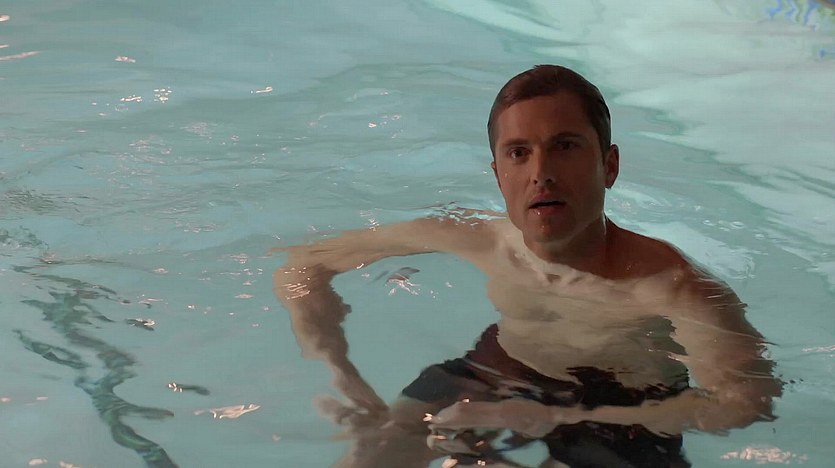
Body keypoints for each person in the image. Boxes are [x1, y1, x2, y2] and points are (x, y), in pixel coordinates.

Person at [273, 65, 781, 467]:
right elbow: (305, 263)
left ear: (609, 166)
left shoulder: (672, 287)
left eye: (565, 147)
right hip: (502, 367)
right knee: (372, 452)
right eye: (519, 153)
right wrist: (344, 379)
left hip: (629, 409)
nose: (541, 174)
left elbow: (745, 401)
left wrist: (553, 415)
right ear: (499, 175)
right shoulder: (479, 239)